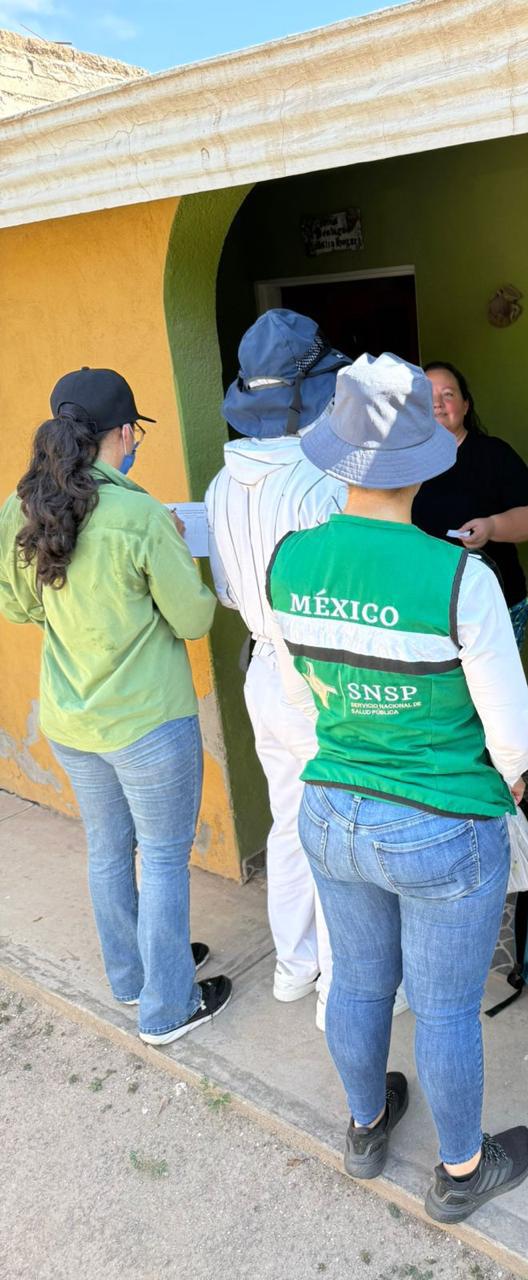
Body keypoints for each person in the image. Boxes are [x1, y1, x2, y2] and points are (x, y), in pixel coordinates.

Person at [268, 352, 528, 1223]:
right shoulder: (459, 578)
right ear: (428, 459)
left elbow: (295, 695)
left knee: (356, 984)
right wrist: (509, 786)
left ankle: (364, 1126)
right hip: (441, 824)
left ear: (335, 456)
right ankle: (462, 1171)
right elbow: (514, 737)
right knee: (448, 1006)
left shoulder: (289, 561)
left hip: (331, 807)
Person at [0, 368, 231, 1045]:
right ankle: (168, 1008)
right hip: (148, 723)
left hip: (71, 721)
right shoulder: (137, 514)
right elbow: (191, 619)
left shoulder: (20, 509)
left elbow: (17, 605)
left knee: (109, 850)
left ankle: (136, 978)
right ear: (124, 433)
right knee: (161, 859)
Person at [207, 308, 379, 1030]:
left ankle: (293, 965)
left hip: (262, 669)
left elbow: (222, 590)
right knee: (339, 833)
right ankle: (339, 989)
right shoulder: (321, 482)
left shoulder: (221, 485)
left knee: (288, 823)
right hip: (322, 677)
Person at [412, 361, 528, 649]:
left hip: (492, 605)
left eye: (448, 394)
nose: (437, 403)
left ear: (465, 405)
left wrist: (492, 526)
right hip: (423, 606)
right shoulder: (402, 462)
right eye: (426, 395)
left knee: (489, 694)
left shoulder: (493, 454)